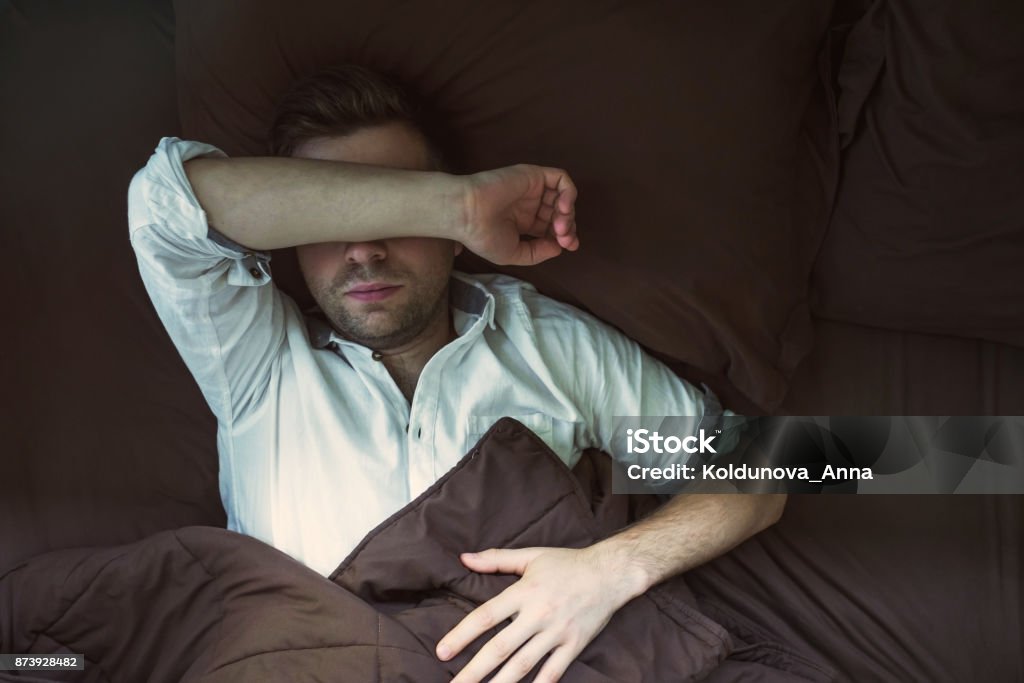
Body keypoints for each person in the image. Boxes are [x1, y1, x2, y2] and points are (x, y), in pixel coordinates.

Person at [128, 64, 785, 683]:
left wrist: (612, 568)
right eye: (334, 216)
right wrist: (456, 205)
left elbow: (780, 461)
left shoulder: (542, 346)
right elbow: (164, 202)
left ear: (449, 236)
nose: (364, 248)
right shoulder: (255, 360)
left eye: (396, 211)